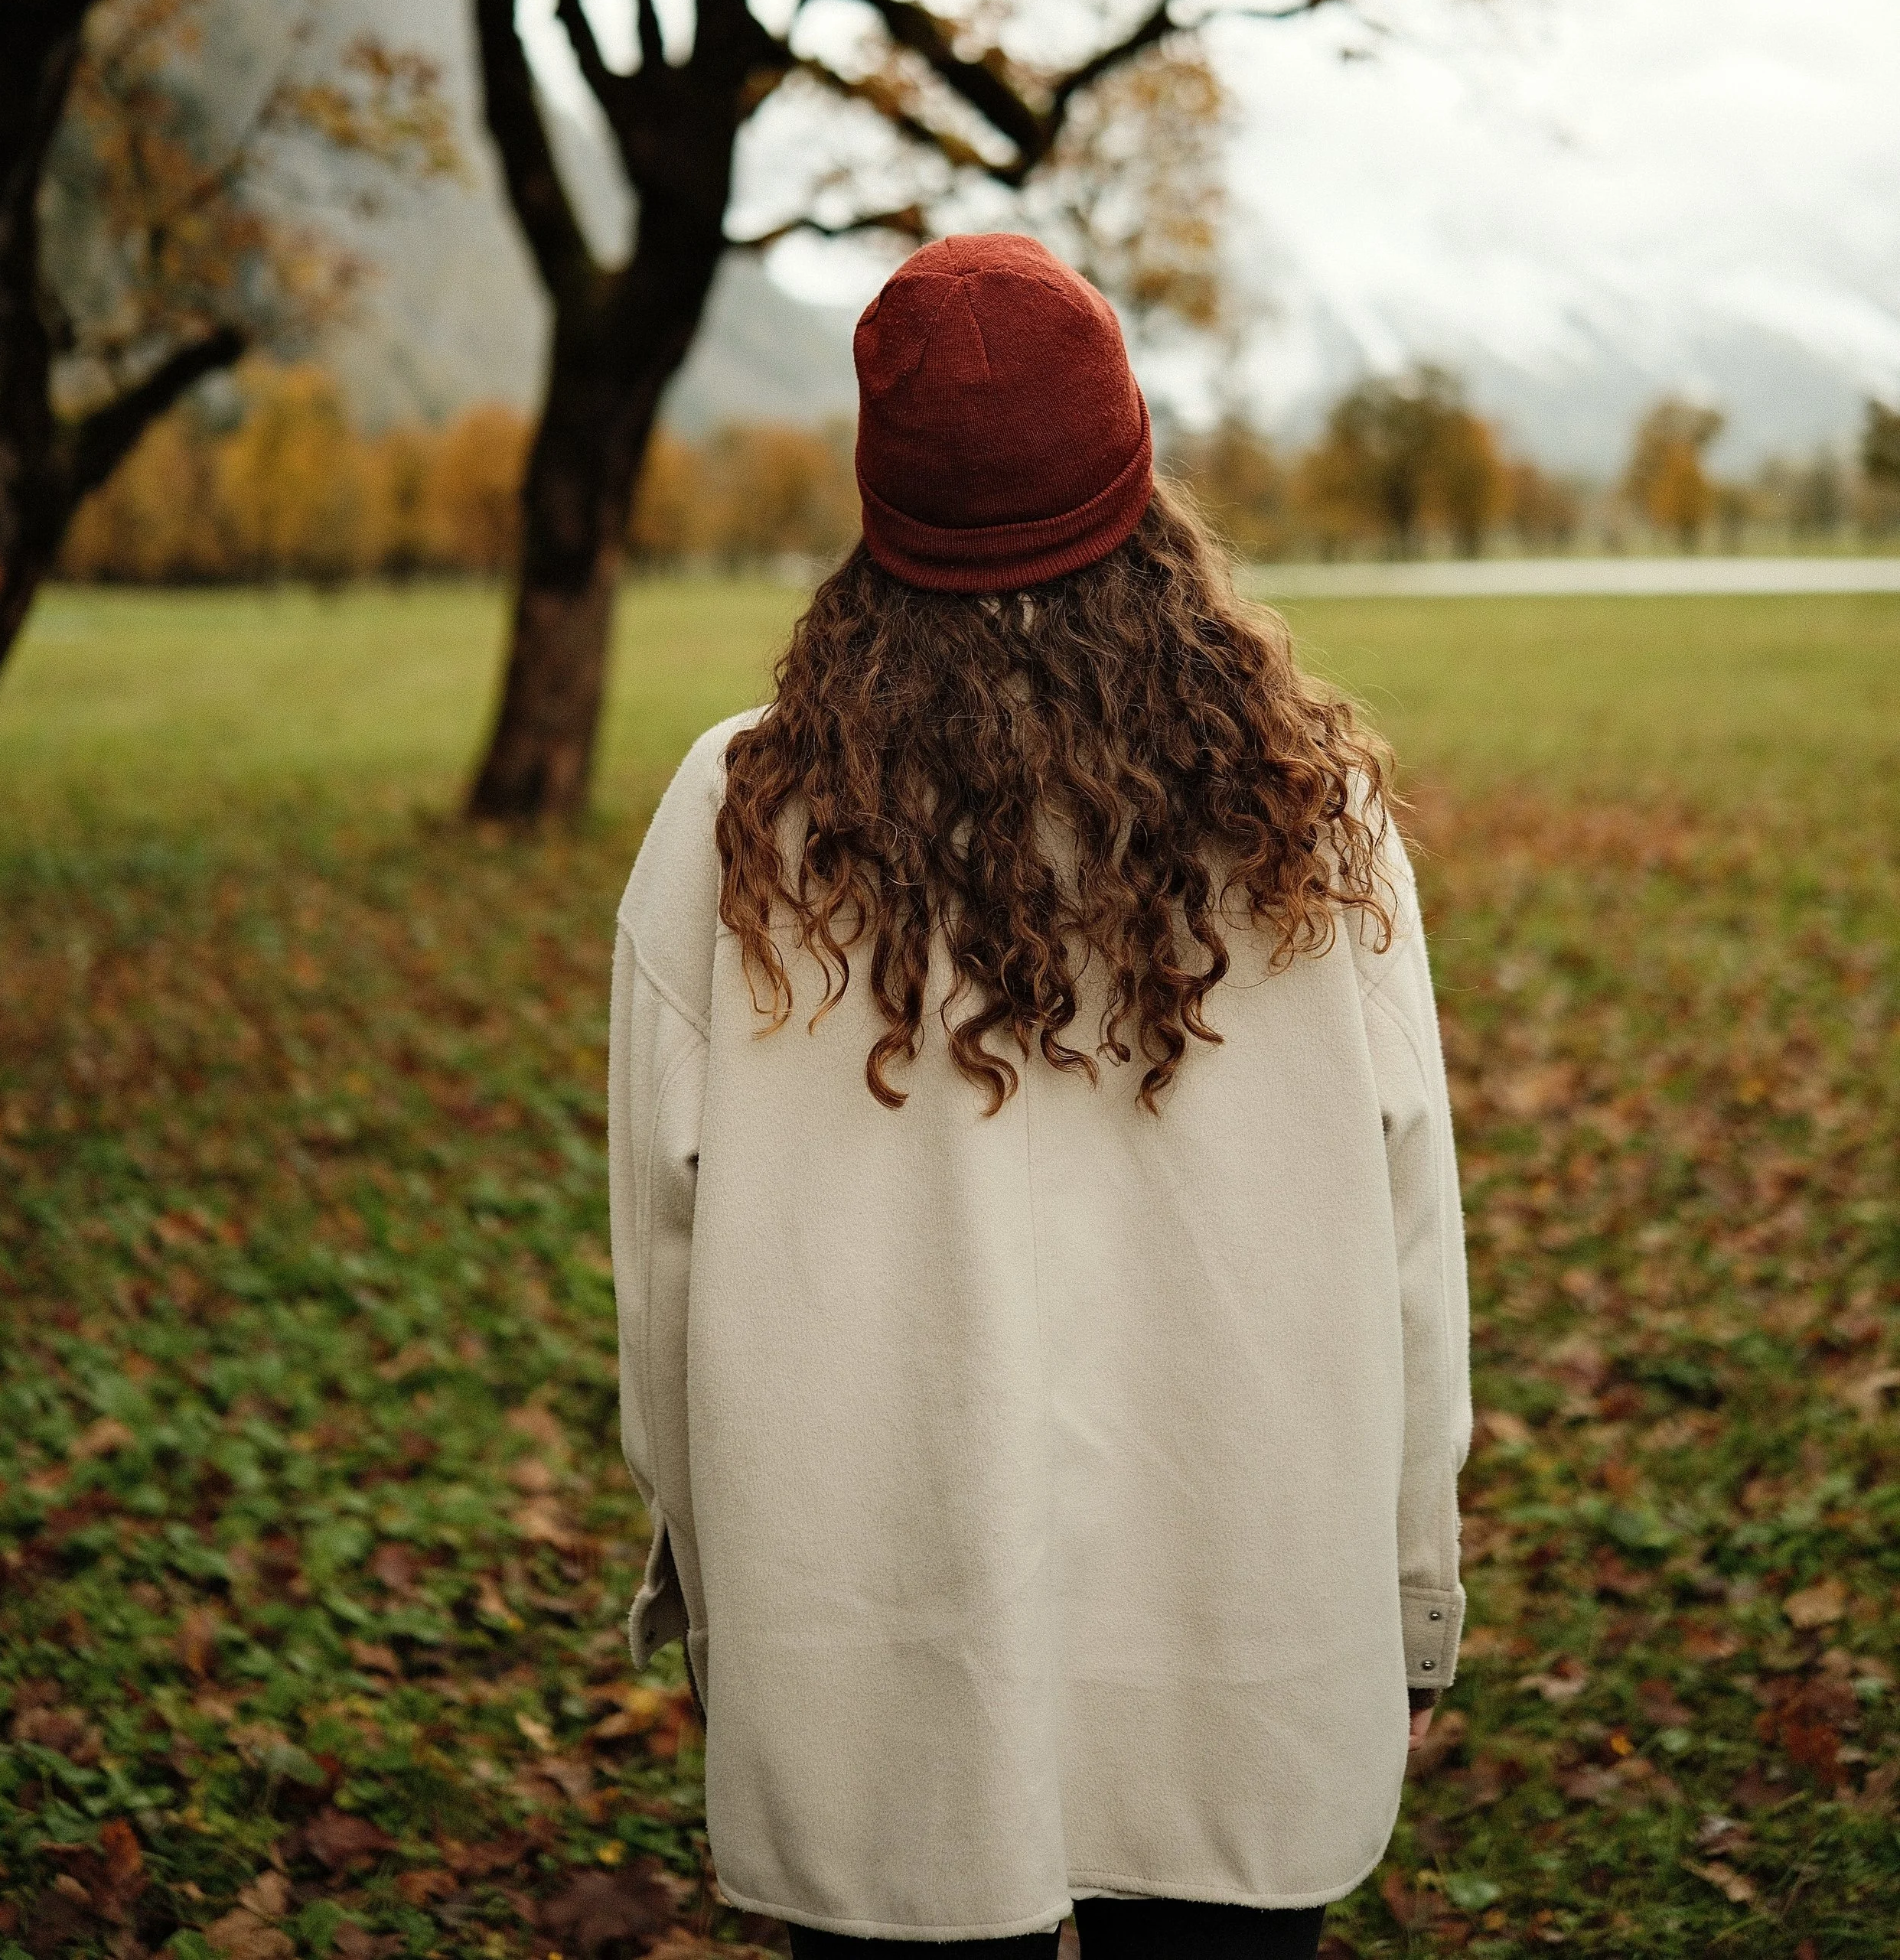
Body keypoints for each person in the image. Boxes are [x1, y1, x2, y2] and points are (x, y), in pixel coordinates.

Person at [609, 234, 1469, 1956]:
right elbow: (1409, 1245)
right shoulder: (1307, 816)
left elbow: (669, 1285)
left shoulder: (736, 821)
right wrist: (1406, 1599)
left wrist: (731, 1626)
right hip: (1242, 1638)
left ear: (879, 510)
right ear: (1135, 482)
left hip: (878, 1660)